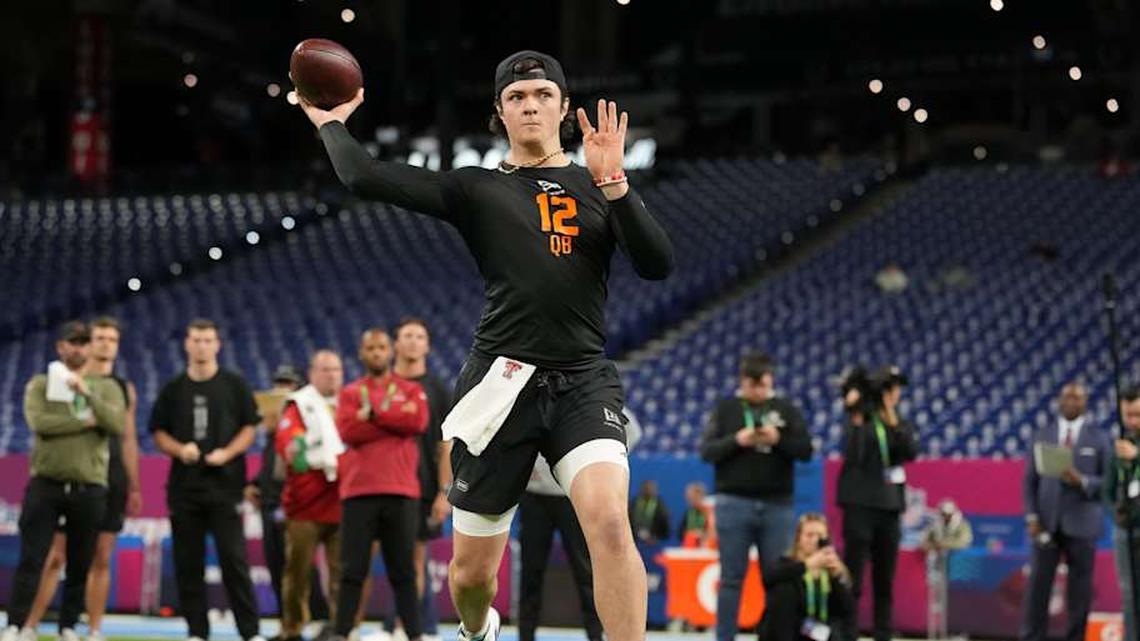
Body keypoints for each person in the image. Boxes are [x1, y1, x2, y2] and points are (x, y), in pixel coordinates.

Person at [299, 48, 672, 641]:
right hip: (499, 386)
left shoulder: (598, 184)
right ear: (499, 112)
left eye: (543, 94)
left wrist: (616, 183)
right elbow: (363, 176)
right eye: (517, 97)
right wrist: (330, 121)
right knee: (472, 577)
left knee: (608, 521)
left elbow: (657, 265)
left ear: (564, 108)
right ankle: (479, 630)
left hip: (582, 380)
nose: (531, 105)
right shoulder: (475, 188)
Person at [2, 321, 126, 641]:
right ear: (61, 347)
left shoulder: (107, 387)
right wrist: (85, 421)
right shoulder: (40, 384)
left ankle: (68, 626)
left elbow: (116, 423)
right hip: (47, 482)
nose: (79, 348)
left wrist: (88, 395)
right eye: (73, 343)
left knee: (80, 562)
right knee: (33, 557)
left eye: (84, 343)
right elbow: (40, 423)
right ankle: (18, 624)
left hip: (89, 485)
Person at [150, 319, 264, 641]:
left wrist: (227, 453)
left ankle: (250, 632)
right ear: (187, 344)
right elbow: (158, 431)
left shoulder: (234, 385)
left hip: (225, 487)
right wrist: (178, 448)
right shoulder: (173, 389)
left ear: (217, 345)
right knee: (189, 565)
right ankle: (197, 632)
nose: (201, 346)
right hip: (185, 489)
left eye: (207, 340)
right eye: (196, 340)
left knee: (234, 561)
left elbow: (250, 427)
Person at [700, 352, 812, 641]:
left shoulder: (785, 409)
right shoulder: (726, 409)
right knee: (731, 579)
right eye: (753, 386)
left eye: (764, 385)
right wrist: (738, 440)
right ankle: (724, 638)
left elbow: (806, 450)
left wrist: (779, 440)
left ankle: (775, 637)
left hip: (778, 504)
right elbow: (707, 451)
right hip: (733, 502)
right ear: (743, 383)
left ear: (771, 381)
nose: (759, 392)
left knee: (777, 580)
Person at [332, 329, 428, 641]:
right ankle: (341, 633)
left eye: (382, 347)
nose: (376, 353)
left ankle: (413, 635)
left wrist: (372, 415)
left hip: (400, 492)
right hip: (358, 492)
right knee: (352, 572)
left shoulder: (411, 390)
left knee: (404, 572)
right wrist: (391, 420)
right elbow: (347, 431)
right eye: (370, 348)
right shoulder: (349, 392)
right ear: (361, 353)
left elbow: (417, 423)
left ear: (391, 351)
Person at [1021, 382, 1110, 641]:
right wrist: (1031, 516)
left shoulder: (1099, 438)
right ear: (1059, 401)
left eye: (1078, 397)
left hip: (1083, 524)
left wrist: (1081, 480)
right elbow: (1029, 481)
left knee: (1079, 593)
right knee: (1037, 588)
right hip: (1047, 523)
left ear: (1085, 402)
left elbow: (1107, 482)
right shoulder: (1042, 434)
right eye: (1067, 397)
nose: (1072, 401)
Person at [382, 319, 453, 641]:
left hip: (420, 489)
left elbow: (444, 446)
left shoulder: (437, 389)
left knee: (414, 559)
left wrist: (443, 493)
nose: (412, 342)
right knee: (362, 559)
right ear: (395, 343)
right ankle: (351, 628)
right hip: (377, 485)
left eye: (419, 336)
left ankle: (402, 628)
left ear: (427, 345)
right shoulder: (379, 384)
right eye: (406, 336)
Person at [836, 365, 918, 641]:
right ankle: (847, 633)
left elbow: (909, 451)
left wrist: (891, 418)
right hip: (859, 503)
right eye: (892, 389)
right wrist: (857, 409)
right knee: (854, 577)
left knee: (885, 579)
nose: (896, 395)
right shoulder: (859, 418)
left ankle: (883, 633)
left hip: (889, 506)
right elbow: (852, 448)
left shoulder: (899, 422)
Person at [275, 351, 346, 641]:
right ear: (312, 372)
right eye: (325, 369)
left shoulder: (351, 402)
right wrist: (293, 448)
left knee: (343, 573)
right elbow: (287, 438)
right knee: (298, 571)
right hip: (305, 502)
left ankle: (342, 628)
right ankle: (292, 629)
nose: (331, 375)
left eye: (336, 369)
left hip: (342, 500)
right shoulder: (298, 404)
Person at [518, 455, 604, 641]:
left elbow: (631, 432)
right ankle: (525, 636)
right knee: (530, 572)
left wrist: (598, 466)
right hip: (534, 496)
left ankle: (596, 635)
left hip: (572, 494)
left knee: (585, 572)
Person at [760, 513, 854, 641]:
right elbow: (768, 578)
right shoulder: (786, 564)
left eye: (820, 536)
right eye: (809, 535)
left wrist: (837, 577)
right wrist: (807, 565)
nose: (815, 540)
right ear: (798, 539)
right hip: (792, 630)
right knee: (783, 589)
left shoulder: (833, 567)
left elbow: (846, 610)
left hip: (822, 630)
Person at [1106, 385, 1140, 641]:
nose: (1131, 421)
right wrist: (1114, 511)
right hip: (1124, 530)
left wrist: (1138, 457)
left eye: (1138, 414)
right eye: (1127, 415)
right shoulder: (1117, 445)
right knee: (1129, 594)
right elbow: (1107, 490)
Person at [628, 480, 670, 545]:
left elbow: (664, 522)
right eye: (646, 488)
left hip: (654, 541)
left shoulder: (659, 505)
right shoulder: (634, 503)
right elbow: (628, 519)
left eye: (651, 488)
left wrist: (656, 536)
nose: (648, 490)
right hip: (635, 540)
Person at [676, 482, 714, 548]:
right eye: (688, 498)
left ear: (700, 495)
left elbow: (714, 533)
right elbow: (679, 533)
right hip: (689, 549)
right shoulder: (689, 512)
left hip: (706, 549)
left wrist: (702, 534)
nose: (689, 500)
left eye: (691, 497)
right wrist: (690, 533)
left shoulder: (710, 512)